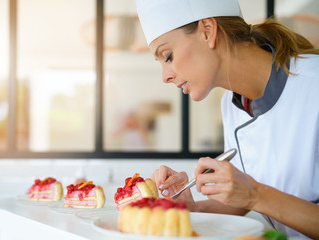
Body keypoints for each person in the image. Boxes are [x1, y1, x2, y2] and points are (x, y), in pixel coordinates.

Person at [134, 0, 319, 239]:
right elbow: (244, 196)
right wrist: (192, 209)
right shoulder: (232, 104)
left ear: (208, 31)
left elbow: (255, 193)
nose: (165, 77)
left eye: (167, 56)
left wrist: (254, 194)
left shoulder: (314, 84)